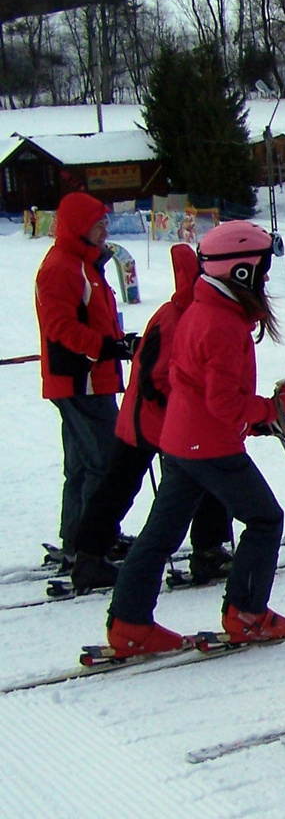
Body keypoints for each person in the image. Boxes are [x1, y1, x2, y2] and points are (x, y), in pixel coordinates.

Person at [106, 221, 285, 657]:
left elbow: (200, 388)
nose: (267, 277)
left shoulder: (205, 310)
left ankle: (129, 622)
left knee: (160, 533)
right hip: (208, 444)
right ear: (240, 271)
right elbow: (223, 403)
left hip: (181, 439)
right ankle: (247, 613)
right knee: (264, 518)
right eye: (262, 268)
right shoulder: (221, 322)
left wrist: (261, 411)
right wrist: (273, 408)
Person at [70, 243, 234, 594]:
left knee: (122, 484)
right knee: (207, 473)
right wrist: (187, 408)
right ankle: (206, 551)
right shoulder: (183, 317)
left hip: (145, 417)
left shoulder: (177, 311)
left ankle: (89, 554)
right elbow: (157, 378)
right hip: (156, 420)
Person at [35, 191, 135, 571]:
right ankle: (94, 542)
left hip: (90, 377)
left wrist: (115, 345)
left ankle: (81, 537)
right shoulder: (63, 266)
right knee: (105, 462)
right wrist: (104, 348)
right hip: (81, 379)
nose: (105, 229)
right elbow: (60, 327)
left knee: (81, 464)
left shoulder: (85, 263)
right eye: (99, 224)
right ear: (80, 227)